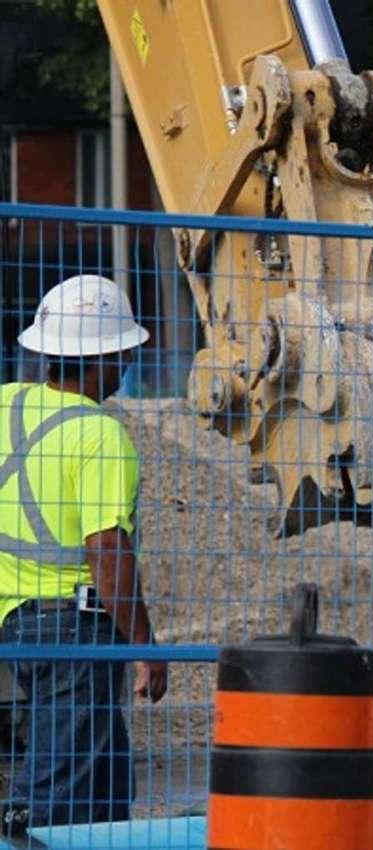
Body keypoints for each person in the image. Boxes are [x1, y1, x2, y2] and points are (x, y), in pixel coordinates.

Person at [0, 274, 167, 836]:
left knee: (106, 787)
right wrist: (145, 645)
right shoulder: (100, 436)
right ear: (103, 356)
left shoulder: (4, 406)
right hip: (74, 627)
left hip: (15, 621)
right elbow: (108, 550)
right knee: (55, 790)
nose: (126, 364)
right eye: (122, 353)